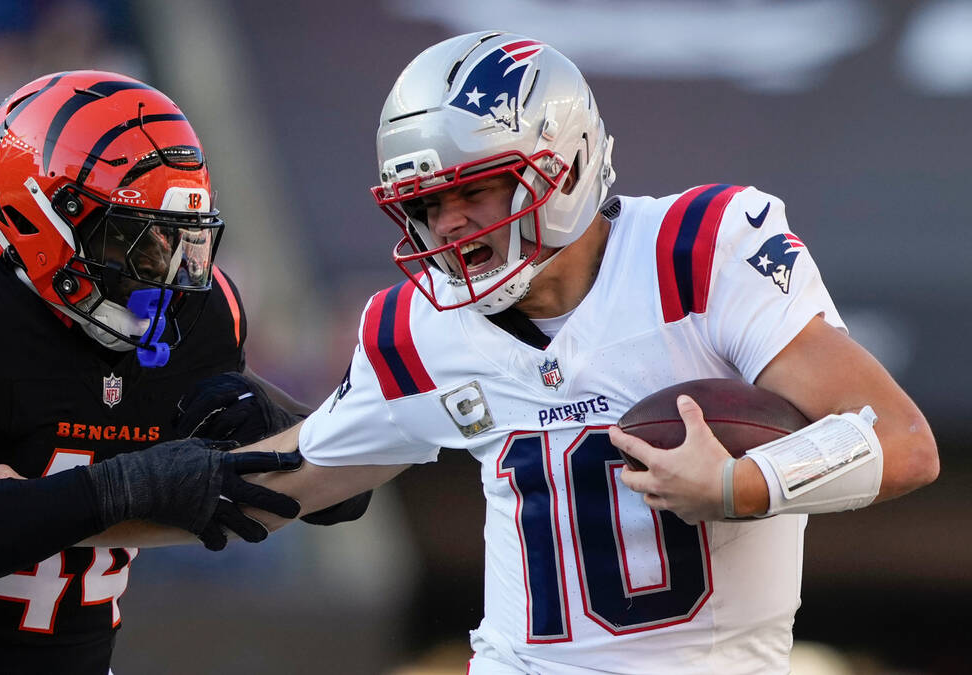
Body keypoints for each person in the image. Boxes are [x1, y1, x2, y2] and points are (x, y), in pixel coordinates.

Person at [239, 32, 939, 673]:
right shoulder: (416, 326)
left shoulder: (698, 254)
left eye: (473, 189)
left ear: (565, 167)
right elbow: (282, 485)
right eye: (425, 204)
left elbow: (904, 442)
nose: (448, 225)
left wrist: (739, 485)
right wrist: (174, 480)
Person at [0, 70, 309, 675]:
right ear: (40, 217)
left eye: (173, 239)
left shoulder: (197, 324)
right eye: (132, 238)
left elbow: (343, 493)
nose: (162, 271)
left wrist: (282, 426)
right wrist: (128, 487)